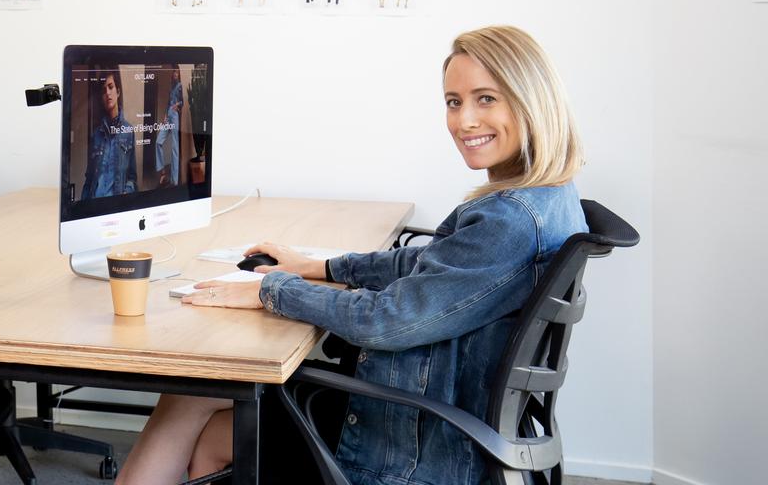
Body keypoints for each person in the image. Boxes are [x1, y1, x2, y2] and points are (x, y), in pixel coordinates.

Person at [117, 25, 588, 485]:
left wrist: (270, 290)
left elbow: (389, 319)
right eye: (453, 101)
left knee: (205, 416)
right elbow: (432, 265)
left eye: (486, 98)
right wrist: (320, 267)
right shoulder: (545, 196)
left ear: (531, 100)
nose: (464, 121)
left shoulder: (508, 221)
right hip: (446, 417)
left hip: (421, 446)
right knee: (198, 401)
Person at [81, 71, 137, 200]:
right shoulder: (95, 135)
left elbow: (132, 178)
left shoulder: (129, 131)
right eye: (103, 90)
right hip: (94, 204)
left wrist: (126, 194)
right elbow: (89, 179)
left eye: (110, 87)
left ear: (118, 92)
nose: (107, 93)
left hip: (115, 206)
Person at [154, 66, 183, 187]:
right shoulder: (171, 87)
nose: (175, 74)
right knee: (158, 142)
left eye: (176, 72)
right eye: (174, 72)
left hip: (175, 116)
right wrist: (165, 116)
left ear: (179, 73)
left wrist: (178, 105)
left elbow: (182, 101)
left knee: (174, 148)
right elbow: (167, 102)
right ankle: (163, 172)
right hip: (169, 116)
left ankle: (174, 181)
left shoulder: (180, 85)